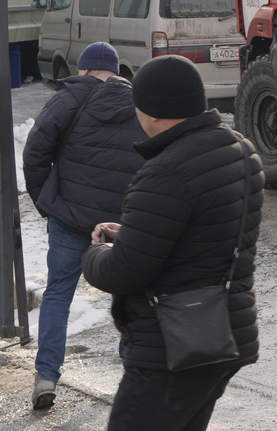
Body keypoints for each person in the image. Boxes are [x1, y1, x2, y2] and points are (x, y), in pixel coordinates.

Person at [82, 55, 263, 431]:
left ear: (151, 112)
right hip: (222, 333)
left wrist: (96, 252)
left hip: (172, 347)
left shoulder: (164, 172)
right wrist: (136, 232)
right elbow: (203, 234)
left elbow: (125, 271)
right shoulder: (240, 150)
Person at [22, 41, 146, 409]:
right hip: (121, 222)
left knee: (59, 293)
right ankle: (132, 371)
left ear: (87, 69)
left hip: (70, 218)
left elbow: (34, 155)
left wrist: (49, 200)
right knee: (126, 292)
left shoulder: (67, 100)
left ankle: (46, 376)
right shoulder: (139, 104)